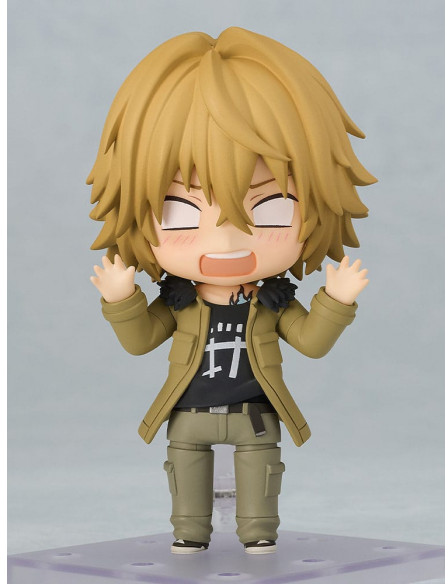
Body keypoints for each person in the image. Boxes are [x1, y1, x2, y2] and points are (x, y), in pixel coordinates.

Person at [88, 27, 376, 554]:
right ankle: (189, 534)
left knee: (261, 489)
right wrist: (121, 299)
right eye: (181, 213)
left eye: (271, 208)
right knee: (185, 488)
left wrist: (336, 301)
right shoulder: (179, 301)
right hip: (188, 418)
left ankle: (258, 535)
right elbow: (140, 340)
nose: (225, 242)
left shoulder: (274, 302)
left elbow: (311, 343)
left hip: (255, 418)